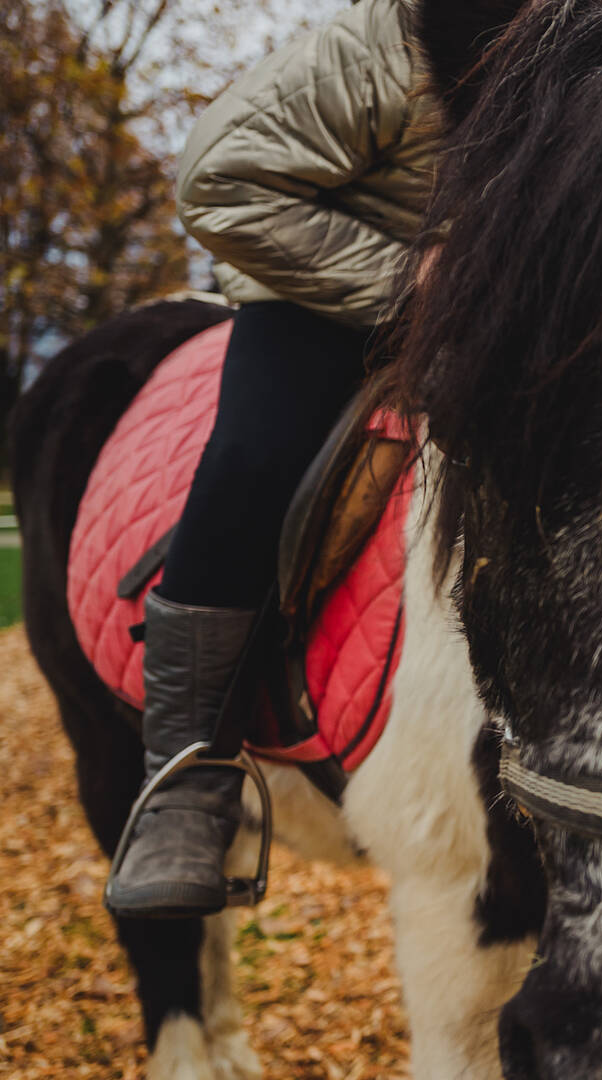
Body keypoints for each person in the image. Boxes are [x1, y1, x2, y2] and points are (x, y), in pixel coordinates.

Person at [105, 0, 433, 919]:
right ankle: (187, 777)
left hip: (518, 318)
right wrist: (414, 282)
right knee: (253, 459)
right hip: (332, 300)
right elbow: (222, 180)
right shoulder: (389, 44)